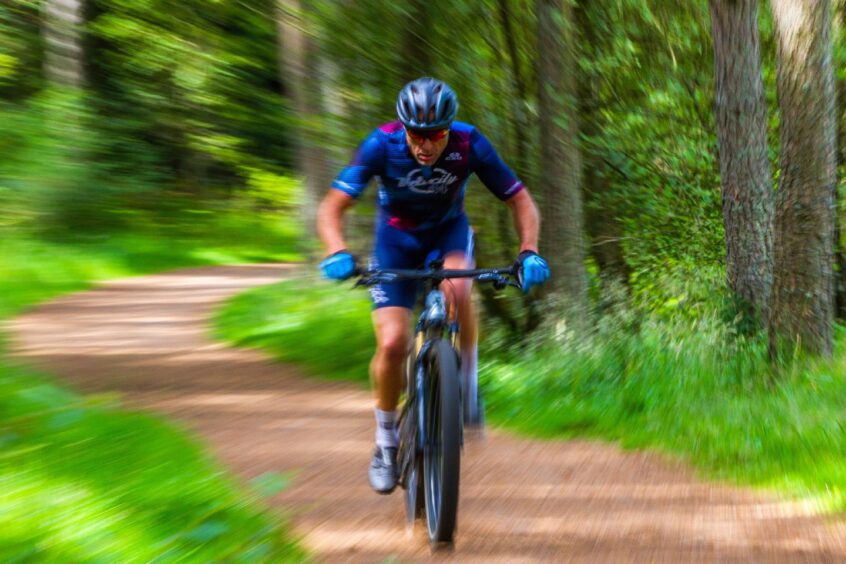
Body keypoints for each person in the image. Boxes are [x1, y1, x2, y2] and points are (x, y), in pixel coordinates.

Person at [316, 77, 550, 494]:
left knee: (459, 289)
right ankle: (386, 442)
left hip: (447, 234)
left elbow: (520, 199)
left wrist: (529, 250)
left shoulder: (469, 144)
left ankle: (467, 383)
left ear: (449, 129)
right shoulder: (381, 144)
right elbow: (333, 205)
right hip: (395, 243)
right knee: (392, 343)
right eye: (417, 135)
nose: (425, 145)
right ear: (403, 128)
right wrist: (336, 250)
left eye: (436, 135)